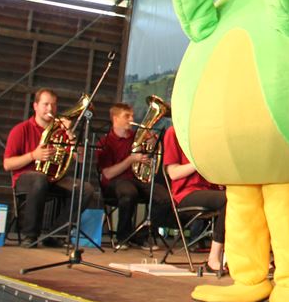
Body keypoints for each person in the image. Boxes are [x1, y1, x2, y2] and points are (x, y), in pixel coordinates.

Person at [2, 87, 97, 247]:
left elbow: (79, 158)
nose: (50, 109)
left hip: (53, 178)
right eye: (45, 104)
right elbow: (7, 164)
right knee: (39, 179)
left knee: (85, 189)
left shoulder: (61, 131)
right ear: (35, 106)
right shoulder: (21, 129)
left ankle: (56, 234)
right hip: (26, 178)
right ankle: (30, 236)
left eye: (53, 105)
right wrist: (33, 156)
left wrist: (70, 134)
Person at [97, 102, 171, 247]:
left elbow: (149, 159)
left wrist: (153, 145)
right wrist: (131, 159)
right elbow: (107, 173)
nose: (131, 119)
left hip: (136, 181)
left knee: (164, 196)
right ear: (115, 118)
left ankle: (140, 234)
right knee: (128, 192)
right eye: (127, 116)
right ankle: (123, 236)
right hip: (115, 183)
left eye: (132, 116)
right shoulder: (105, 141)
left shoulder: (137, 137)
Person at [162, 125, 226, 273]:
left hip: (210, 190)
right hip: (185, 194)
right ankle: (214, 258)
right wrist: (199, 164)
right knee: (229, 200)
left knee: (246, 198)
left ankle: (245, 256)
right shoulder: (174, 132)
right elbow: (173, 174)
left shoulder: (207, 134)